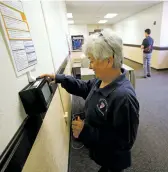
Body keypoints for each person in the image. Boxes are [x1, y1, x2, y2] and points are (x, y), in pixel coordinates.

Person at [41, 29, 139, 172]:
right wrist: (59, 78)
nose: (90, 66)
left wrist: (85, 131)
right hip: (102, 153)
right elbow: (84, 87)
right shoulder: (101, 80)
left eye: (92, 61)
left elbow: (124, 142)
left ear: (108, 61)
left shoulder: (123, 97)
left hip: (114, 159)